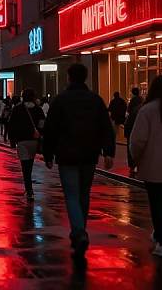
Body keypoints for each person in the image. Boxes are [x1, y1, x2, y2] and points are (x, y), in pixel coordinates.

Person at [43, 63, 115, 258]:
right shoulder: (95, 100)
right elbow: (106, 127)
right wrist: (109, 152)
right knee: (84, 194)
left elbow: (51, 130)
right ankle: (79, 229)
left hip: (67, 155)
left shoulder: (61, 100)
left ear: (69, 77)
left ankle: (79, 231)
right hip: (90, 154)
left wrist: (47, 154)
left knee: (72, 195)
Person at [130, 75, 162, 258]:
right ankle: (160, 234)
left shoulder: (146, 111)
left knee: (156, 203)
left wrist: (136, 159)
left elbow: (138, 141)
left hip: (153, 165)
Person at [7, 89, 45, 201]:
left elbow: (11, 125)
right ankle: (29, 188)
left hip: (22, 141)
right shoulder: (38, 109)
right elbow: (42, 124)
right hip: (34, 140)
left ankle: (29, 190)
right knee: (31, 163)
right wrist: (40, 134)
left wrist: (12, 141)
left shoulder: (17, 109)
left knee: (25, 166)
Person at [124, 87, 143, 177]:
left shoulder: (132, 103)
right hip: (139, 127)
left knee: (131, 147)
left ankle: (132, 166)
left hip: (131, 127)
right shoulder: (143, 102)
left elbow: (128, 114)